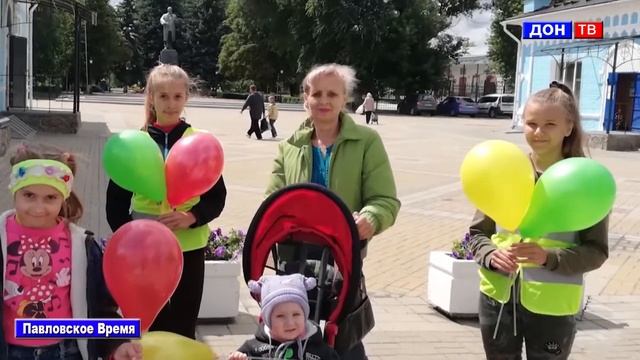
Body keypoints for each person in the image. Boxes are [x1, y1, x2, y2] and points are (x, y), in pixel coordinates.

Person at [266, 63, 400, 360]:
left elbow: (385, 200)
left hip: (344, 258)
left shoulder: (367, 142)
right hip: (294, 259)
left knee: (346, 340)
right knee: (294, 337)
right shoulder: (289, 145)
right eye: (317, 93)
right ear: (306, 98)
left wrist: (371, 218)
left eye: (332, 94)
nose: (324, 101)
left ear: (344, 99)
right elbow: (272, 201)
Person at [469, 82, 609, 360]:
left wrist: (549, 257)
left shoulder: (583, 182)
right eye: (531, 123)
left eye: (549, 124)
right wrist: (490, 255)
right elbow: (476, 234)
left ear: (568, 127)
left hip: (553, 307)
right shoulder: (504, 171)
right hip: (497, 299)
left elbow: (597, 251)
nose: (538, 132)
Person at [106, 64, 227, 340]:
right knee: (149, 323)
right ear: (151, 97)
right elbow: (115, 203)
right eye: (163, 96)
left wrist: (192, 216)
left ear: (186, 97)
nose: (170, 104)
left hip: (189, 247)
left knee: (184, 321)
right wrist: (131, 239)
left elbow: (216, 197)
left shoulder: (199, 142)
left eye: (177, 96)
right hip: (145, 253)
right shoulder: (135, 143)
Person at [1, 144, 141, 360]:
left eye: (50, 198)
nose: (39, 208)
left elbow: (100, 307)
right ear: (14, 190)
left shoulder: (84, 246)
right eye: (29, 195)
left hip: (67, 351)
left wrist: (117, 344)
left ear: (64, 198)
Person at [228, 274, 340, 360]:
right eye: (280, 316)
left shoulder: (320, 350)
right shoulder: (253, 349)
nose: (290, 323)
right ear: (268, 320)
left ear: (305, 316)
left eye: (296, 314)